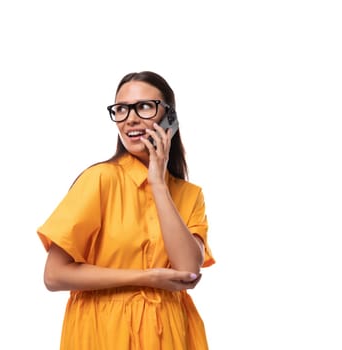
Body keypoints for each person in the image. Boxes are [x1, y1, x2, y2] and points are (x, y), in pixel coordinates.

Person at [37, 71, 215, 349]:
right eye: (121, 109)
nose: (130, 118)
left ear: (170, 118)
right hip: (103, 333)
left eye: (144, 106)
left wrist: (158, 183)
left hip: (170, 335)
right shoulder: (100, 179)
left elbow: (188, 271)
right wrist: (146, 278)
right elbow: (55, 275)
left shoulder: (190, 195)